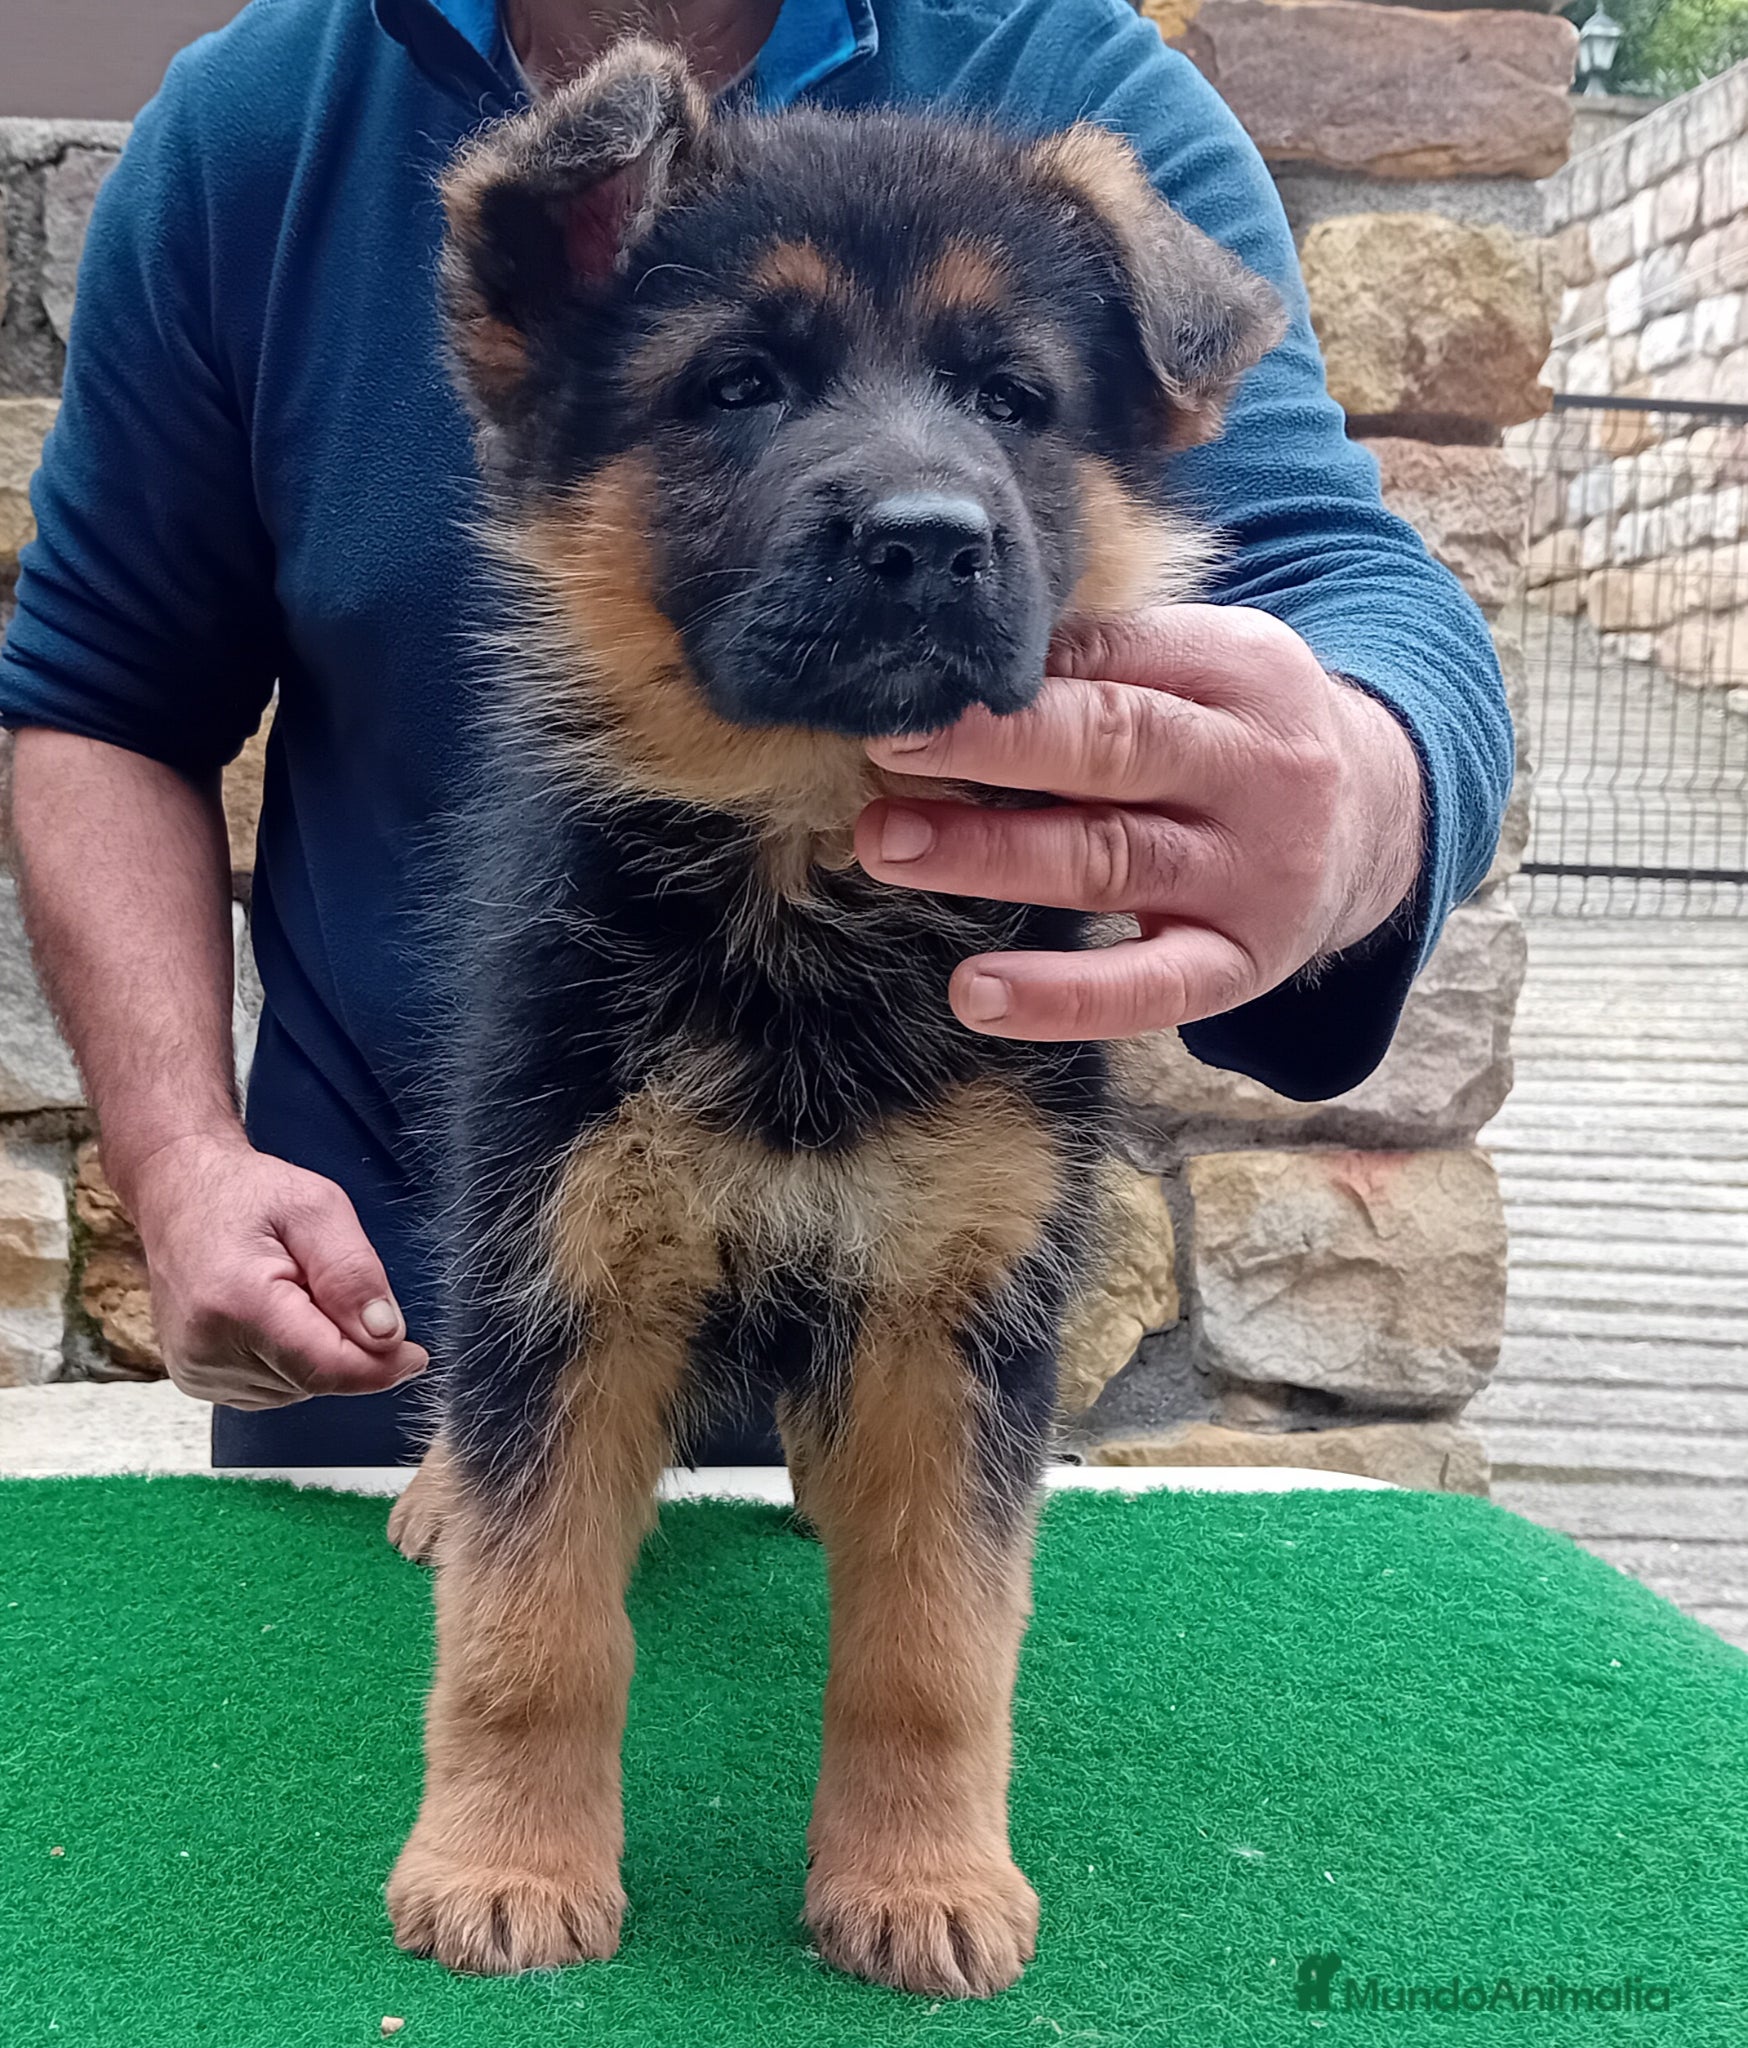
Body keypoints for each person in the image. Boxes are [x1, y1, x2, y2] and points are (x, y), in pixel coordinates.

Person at [0, 0, 1511, 1468]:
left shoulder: (1058, 74)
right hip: (412, 1321)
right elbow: (100, 694)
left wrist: (1362, 787)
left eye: (996, 391)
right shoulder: (253, 126)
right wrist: (181, 1161)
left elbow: (1351, 581)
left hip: (929, 1298)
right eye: (739, 383)